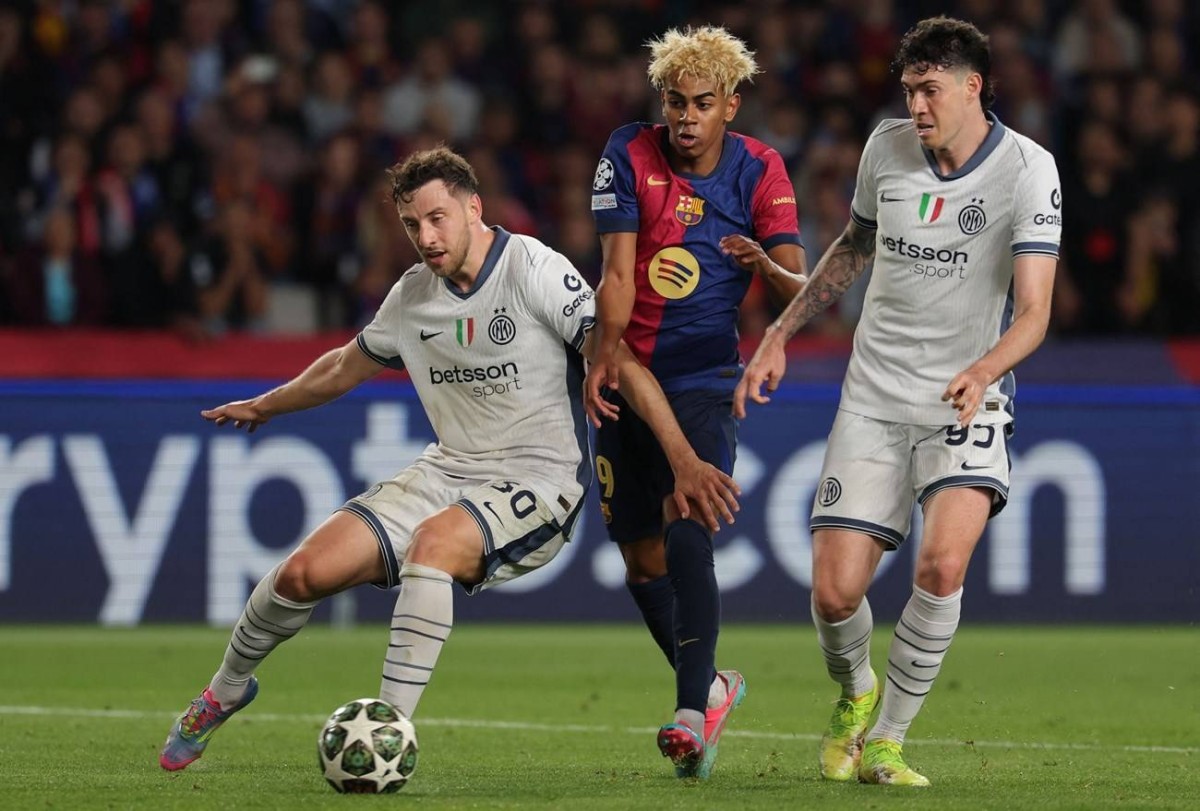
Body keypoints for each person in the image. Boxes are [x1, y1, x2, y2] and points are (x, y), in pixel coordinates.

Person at [159, 146, 740, 772]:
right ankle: (224, 691)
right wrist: (266, 405)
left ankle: (385, 736)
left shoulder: (532, 268)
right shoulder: (413, 294)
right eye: (412, 224)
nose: (426, 237)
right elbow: (343, 366)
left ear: (473, 208)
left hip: (538, 481)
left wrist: (682, 457)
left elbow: (617, 359)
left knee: (432, 545)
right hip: (447, 471)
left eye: (437, 218)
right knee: (301, 574)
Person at [734, 16, 1061, 787]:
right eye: (909, 89)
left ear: (972, 87)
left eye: (930, 89)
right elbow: (854, 246)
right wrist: (779, 332)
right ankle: (856, 692)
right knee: (833, 591)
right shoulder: (885, 148)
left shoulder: (1027, 169)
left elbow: (1035, 311)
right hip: (875, 394)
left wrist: (983, 369)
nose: (916, 104)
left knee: (942, 566)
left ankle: (887, 739)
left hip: (965, 400)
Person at [587, 25, 807, 778]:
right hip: (628, 372)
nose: (686, 117)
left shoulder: (760, 170)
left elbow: (802, 287)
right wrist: (603, 355)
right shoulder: (627, 151)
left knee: (689, 515)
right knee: (640, 557)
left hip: (705, 380)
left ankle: (689, 713)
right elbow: (618, 274)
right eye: (676, 102)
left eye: (702, 103)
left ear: (730, 106)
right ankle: (713, 686)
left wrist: (763, 262)